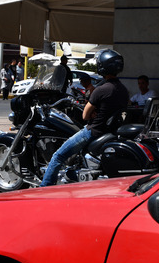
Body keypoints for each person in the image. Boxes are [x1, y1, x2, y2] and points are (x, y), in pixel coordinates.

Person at [40, 49, 128, 187]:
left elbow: (85, 115)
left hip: (94, 131)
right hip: (109, 130)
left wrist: (93, 112)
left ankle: (43, 188)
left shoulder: (101, 90)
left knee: (58, 156)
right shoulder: (123, 89)